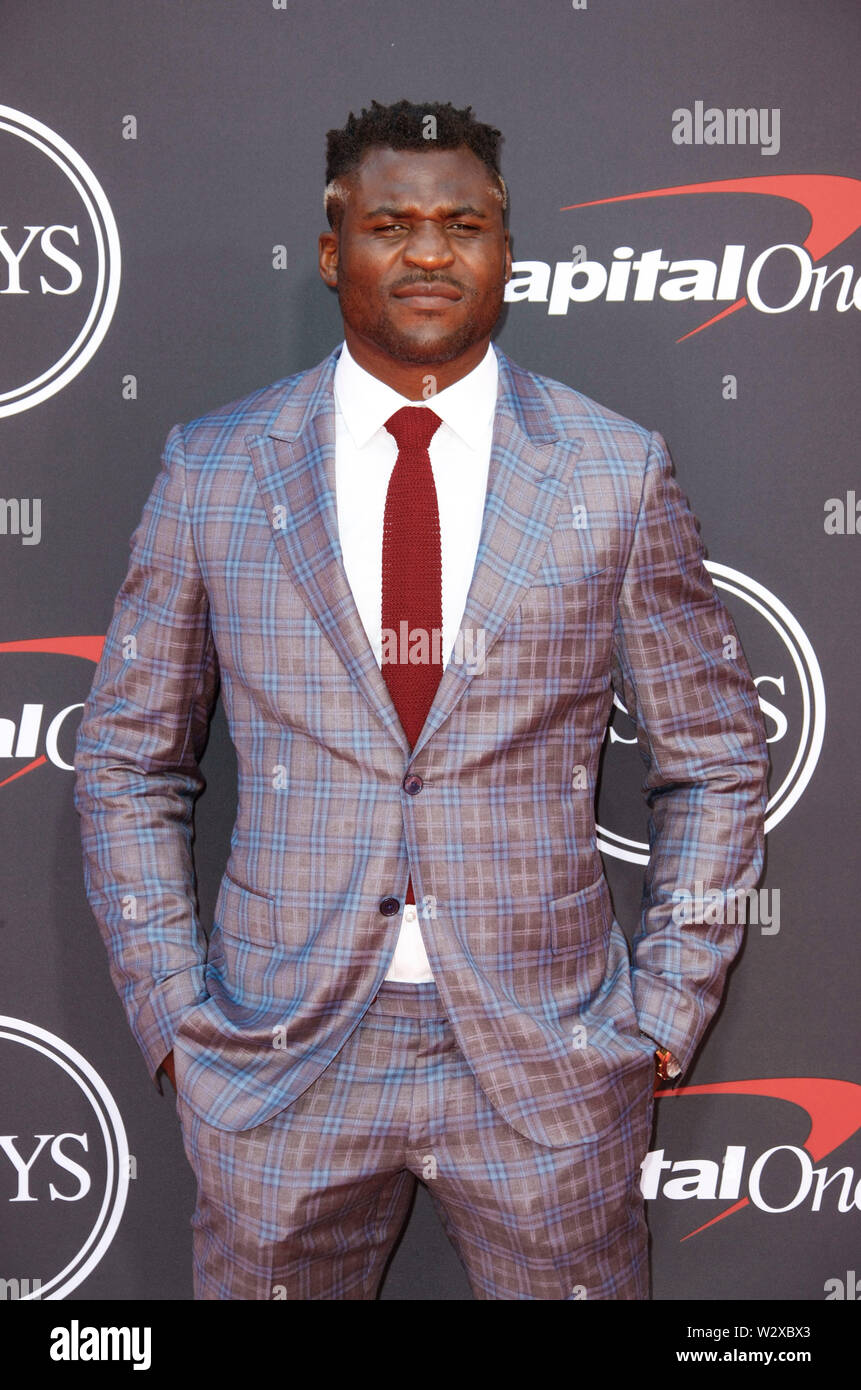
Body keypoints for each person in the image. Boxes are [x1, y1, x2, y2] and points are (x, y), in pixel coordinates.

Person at [74, 98, 769, 1300]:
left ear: (509, 248)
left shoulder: (614, 468)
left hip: (549, 1056)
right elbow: (130, 759)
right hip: (277, 1055)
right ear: (335, 251)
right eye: (393, 222)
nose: (433, 251)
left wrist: (661, 1014)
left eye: (467, 223)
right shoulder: (216, 467)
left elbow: (713, 755)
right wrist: (179, 1023)